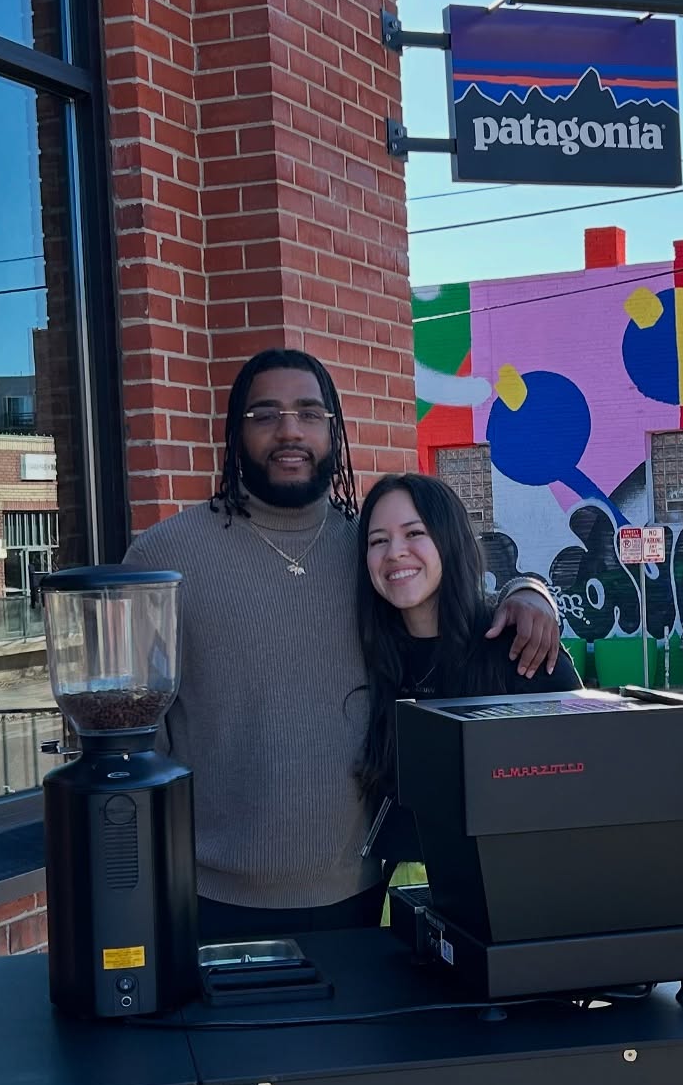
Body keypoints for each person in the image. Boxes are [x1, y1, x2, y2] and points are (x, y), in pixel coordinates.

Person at [123, 347, 562, 942]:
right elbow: (133, 742)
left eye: (309, 413)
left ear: (332, 430)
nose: (289, 431)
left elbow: (454, 605)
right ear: (235, 430)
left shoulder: (371, 552)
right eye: (265, 414)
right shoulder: (165, 558)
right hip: (206, 900)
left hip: (358, 898)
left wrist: (531, 590)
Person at [354, 472, 581, 819]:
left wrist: (531, 590)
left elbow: (583, 784)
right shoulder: (362, 658)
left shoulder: (521, 653)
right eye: (378, 540)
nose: (395, 552)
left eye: (415, 533)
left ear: (451, 541)